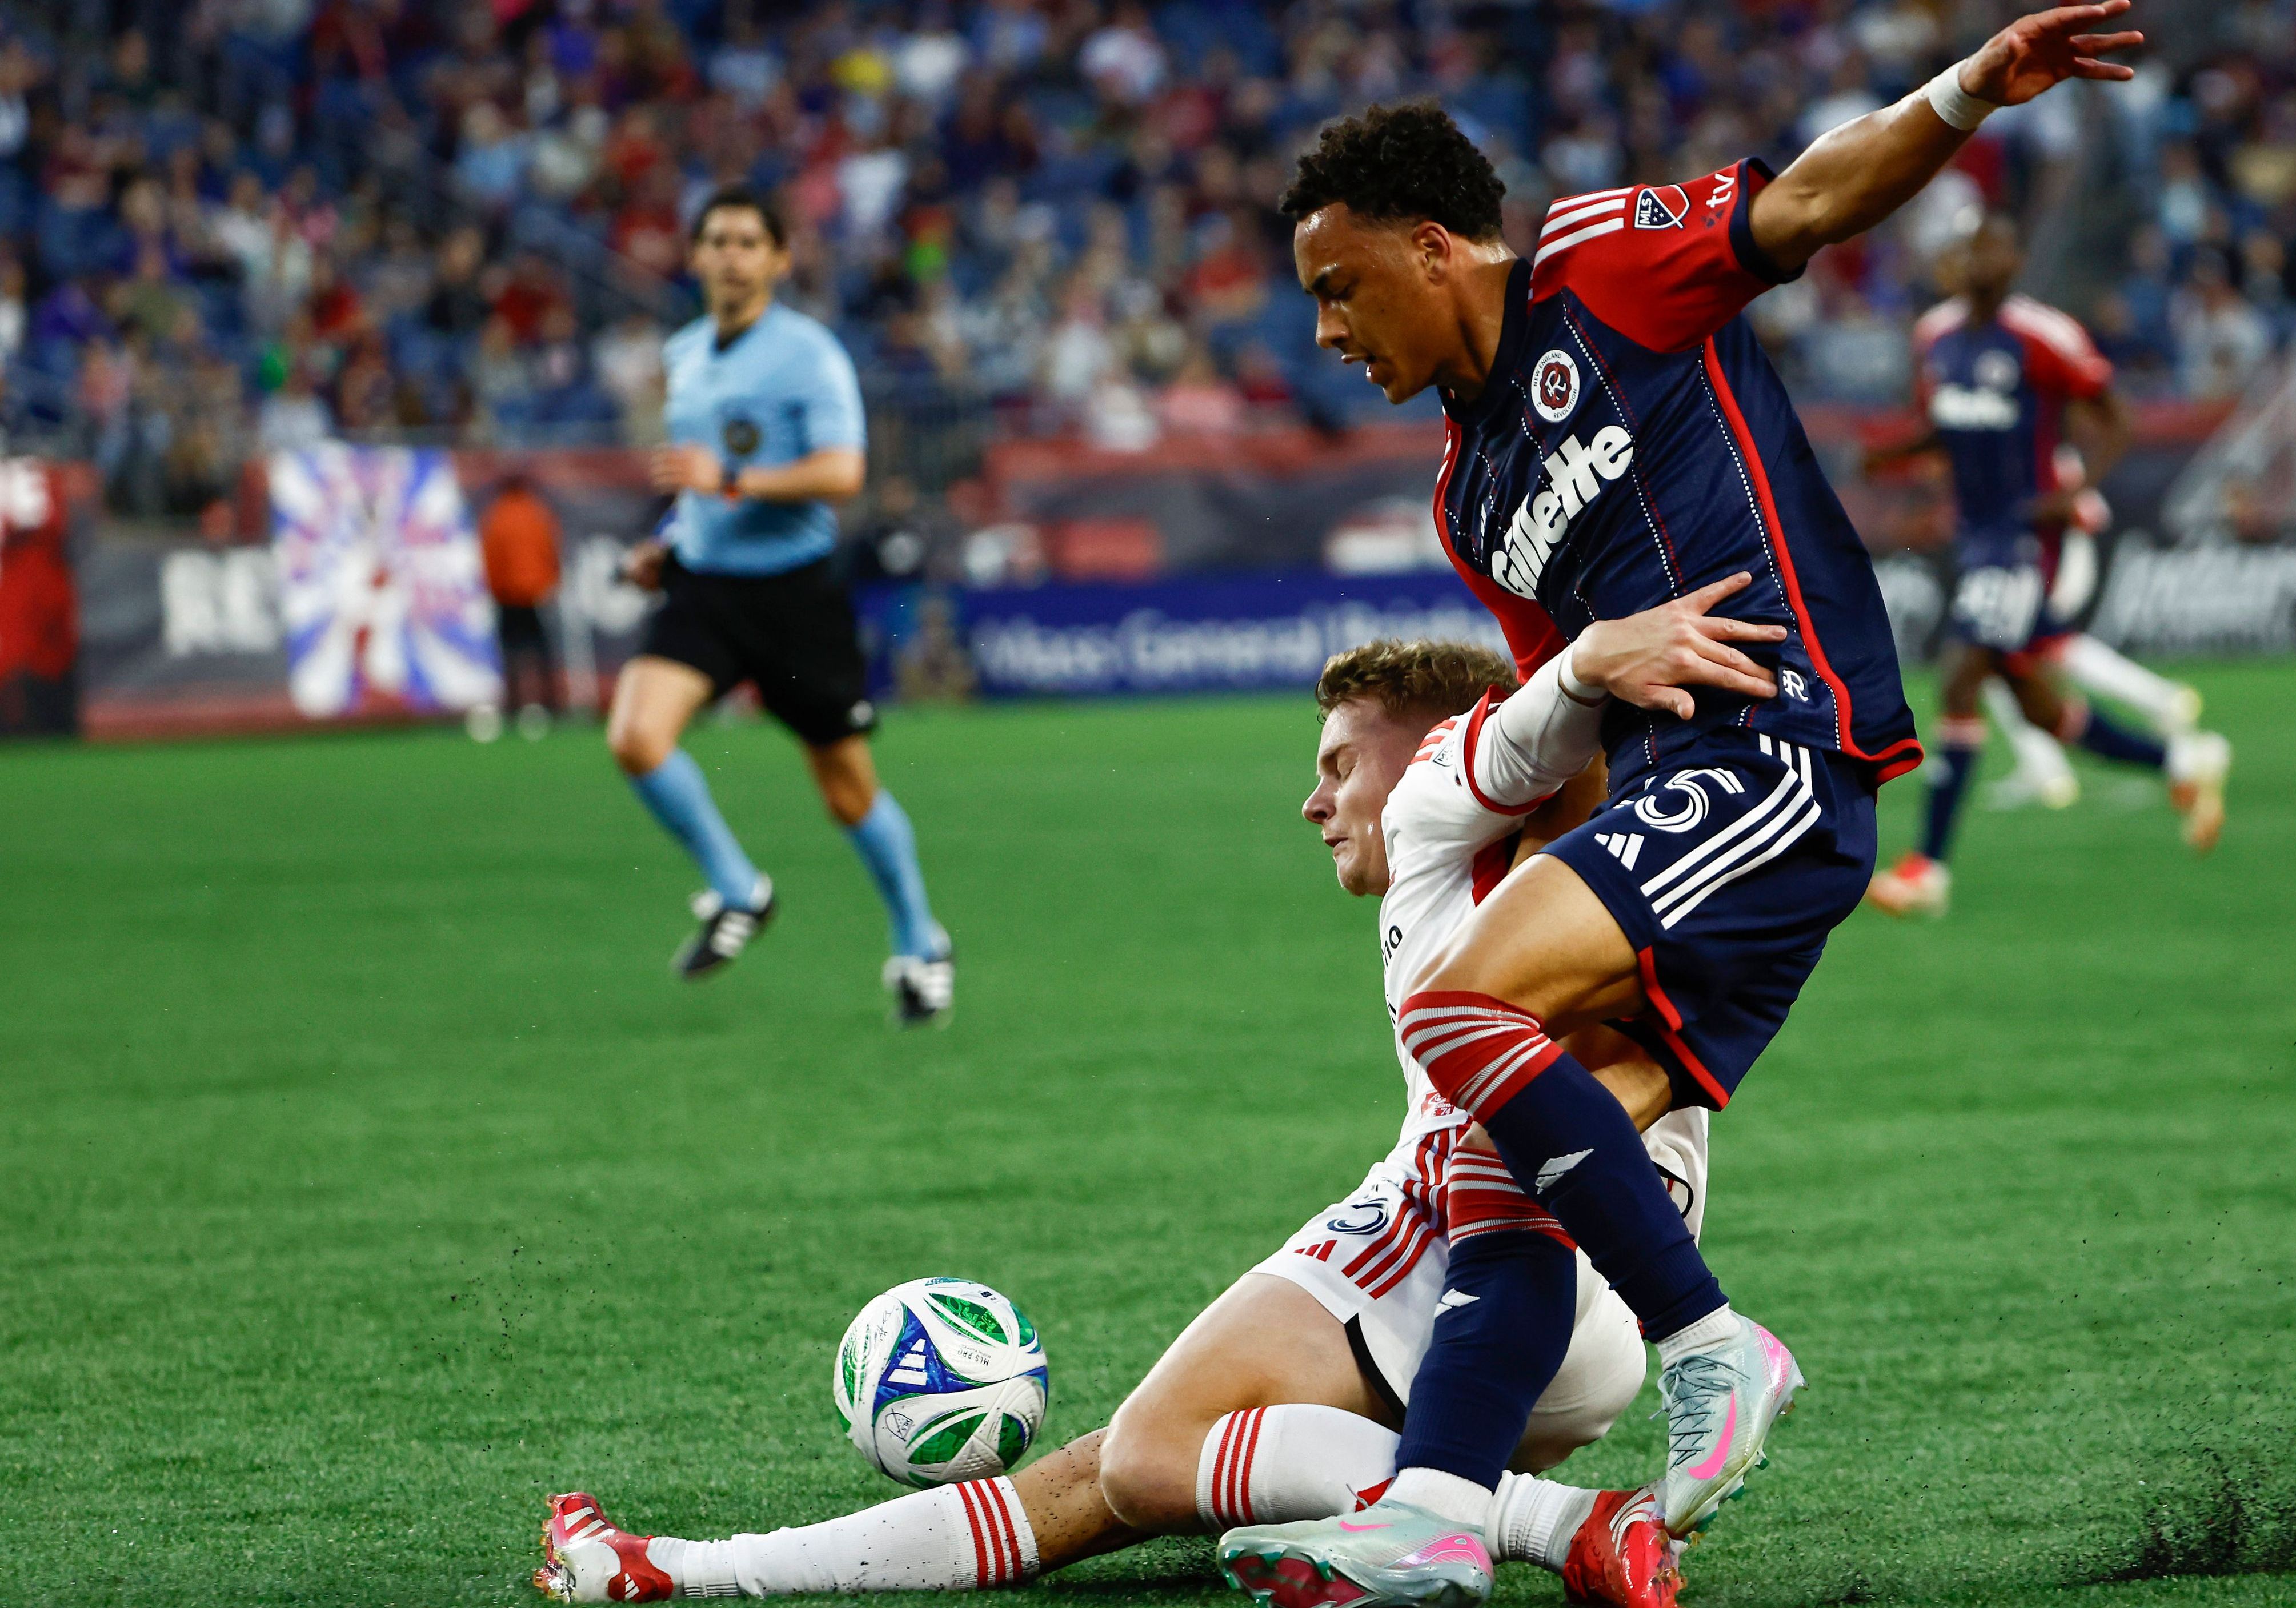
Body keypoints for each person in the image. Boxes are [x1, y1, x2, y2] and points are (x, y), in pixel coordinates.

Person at [1230, 7, 2147, 1595]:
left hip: (1776, 752)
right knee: (1493, 1144)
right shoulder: (1467, 494)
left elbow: (1809, 201)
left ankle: (1712, 1340)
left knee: (1453, 1008)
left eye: (1338, 285)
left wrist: (1964, 91)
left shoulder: (1600, 269)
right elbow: (1570, 730)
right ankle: (1434, 1514)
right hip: (1675, 821)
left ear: (1434, 247)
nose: (1324, 329)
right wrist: (1546, 897)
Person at [532, 610, 1736, 1607]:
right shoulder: (1570, 885)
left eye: (1336, 764)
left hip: (1470, 1238)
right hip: (1593, 1306)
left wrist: (1585, 654)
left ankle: (1555, 1524)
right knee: (1116, 1478)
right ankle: (677, 1570)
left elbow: (1561, 750)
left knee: (1154, 1454)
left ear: (1435, 748)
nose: (1312, 800)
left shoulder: (1482, 830)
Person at [607, 185, 955, 1026]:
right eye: (717, 241)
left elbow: (842, 472)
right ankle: (738, 889)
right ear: (695, 257)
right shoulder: (686, 352)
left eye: (747, 243)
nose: (731, 256)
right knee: (636, 736)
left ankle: (920, 941)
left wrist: (728, 481)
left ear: (778, 260)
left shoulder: (808, 354)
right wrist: (666, 539)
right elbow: (696, 481)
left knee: (847, 792)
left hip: (795, 595)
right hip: (706, 586)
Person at [1861, 215, 2231, 919]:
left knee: (1962, 672)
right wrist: (1891, 455)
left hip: (2027, 535)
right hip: (1976, 536)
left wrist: (2078, 486)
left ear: (2015, 260)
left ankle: (1927, 868)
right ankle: (2181, 760)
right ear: (1952, 262)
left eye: (1997, 246)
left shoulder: (2044, 336)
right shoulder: (1934, 338)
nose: (1983, 258)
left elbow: (2116, 416)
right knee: (2033, 700)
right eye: (1971, 246)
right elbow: (1948, 424)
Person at [481, 472, 565, 737]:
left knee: (511, 652)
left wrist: (496, 590)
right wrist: (551, 581)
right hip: (536, 593)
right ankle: (550, 704)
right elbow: (551, 549)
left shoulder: (497, 515)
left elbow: (491, 557)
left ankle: (515, 706)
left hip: (507, 595)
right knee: (541, 651)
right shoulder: (537, 512)